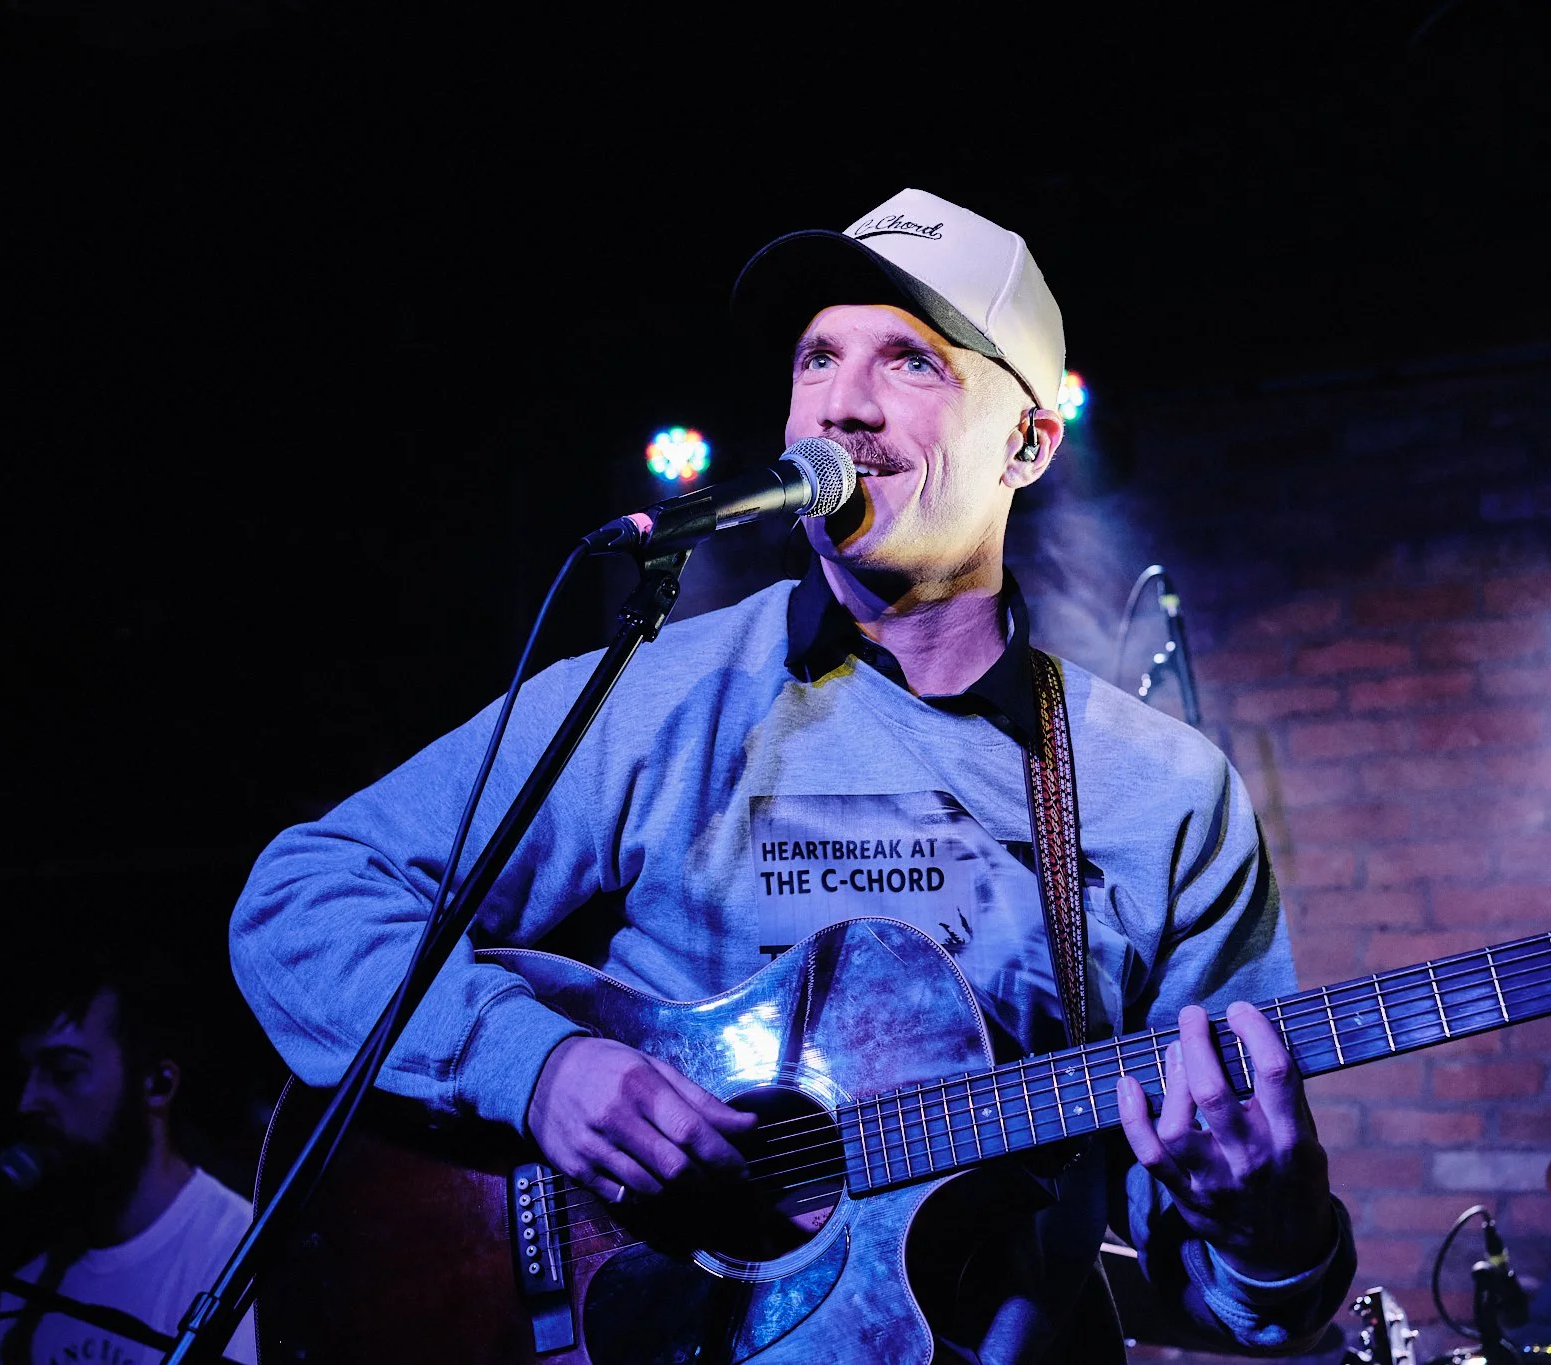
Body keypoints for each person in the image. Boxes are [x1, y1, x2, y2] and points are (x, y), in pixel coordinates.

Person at [229, 187, 1356, 1360]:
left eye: (909, 363)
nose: (840, 407)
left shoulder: (1161, 796)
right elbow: (302, 898)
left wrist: (1266, 1234)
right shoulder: (657, 695)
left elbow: (1223, 1295)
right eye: (815, 358)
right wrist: (539, 1067)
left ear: (1024, 442)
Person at [0, 957, 258, 1365]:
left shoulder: (235, 1256)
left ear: (158, 1085)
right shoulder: (25, 1280)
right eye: (26, 1076)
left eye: (63, 1072)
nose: (29, 1102)